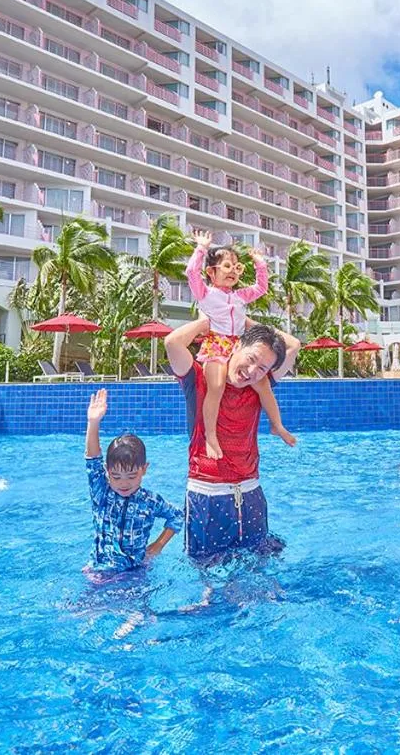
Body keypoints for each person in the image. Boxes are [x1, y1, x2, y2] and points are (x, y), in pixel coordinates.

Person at [164, 315, 301, 560]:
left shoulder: (260, 385)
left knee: (258, 565)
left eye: (262, 368)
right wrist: (208, 321)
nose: (251, 371)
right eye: (251, 359)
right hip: (207, 493)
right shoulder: (198, 378)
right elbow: (172, 342)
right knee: (207, 572)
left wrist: (244, 320)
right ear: (236, 346)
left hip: (251, 493)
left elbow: (293, 345)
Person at [186, 230, 295, 460]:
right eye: (227, 266)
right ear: (211, 272)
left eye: (236, 268)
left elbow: (261, 288)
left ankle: (277, 425)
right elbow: (190, 273)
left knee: (263, 384)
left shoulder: (239, 296)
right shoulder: (205, 293)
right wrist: (201, 249)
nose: (233, 272)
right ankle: (211, 436)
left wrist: (260, 265)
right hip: (216, 344)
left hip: (239, 346)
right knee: (215, 386)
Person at [83, 388, 183, 574]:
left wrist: (159, 544)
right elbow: (92, 460)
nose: (123, 483)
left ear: (144, 469)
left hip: (136, 571)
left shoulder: (150, 501)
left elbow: (177, 515)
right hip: (100, 571)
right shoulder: (101, 492)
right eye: (116, 476)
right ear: (107, 471)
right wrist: (93, 422)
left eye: (131, 476)